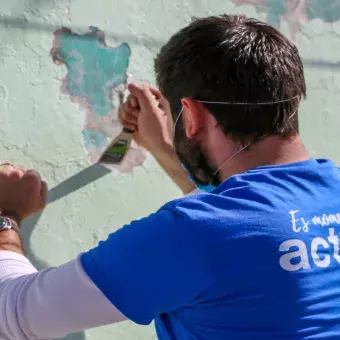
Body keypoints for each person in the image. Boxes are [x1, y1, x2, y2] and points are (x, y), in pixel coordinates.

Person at [1, 14, 340, 340]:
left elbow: (16, 313)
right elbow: (247, 223)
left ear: (190, 115)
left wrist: (6, 219)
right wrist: (164, 147)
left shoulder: (194, 232)